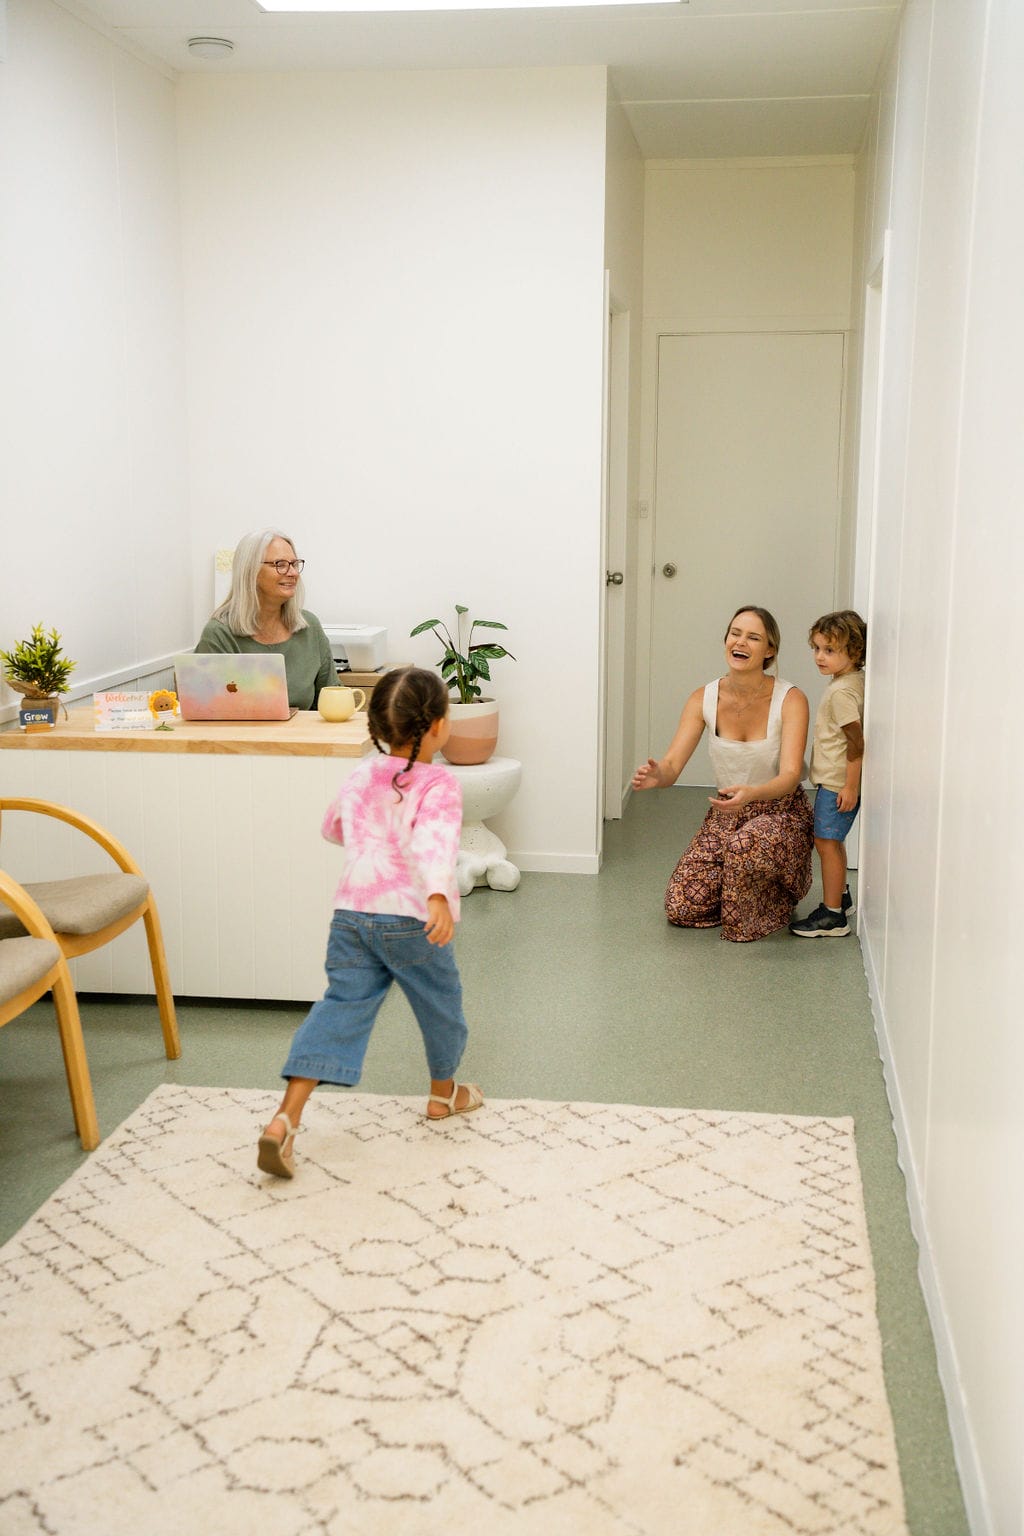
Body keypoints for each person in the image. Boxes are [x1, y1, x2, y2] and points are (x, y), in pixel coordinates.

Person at [257, 666, 483, 1179]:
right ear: (437, 727)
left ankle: (284, 1119)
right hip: (410, 920)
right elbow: (433, 844)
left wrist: (371, 840)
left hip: (352, 914)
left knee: (340, 1007)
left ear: (379, 725)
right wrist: (437, 897)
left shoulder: (362, 772)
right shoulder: (440, 783)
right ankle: (443, 1095)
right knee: (440, 1005)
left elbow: (333, 826)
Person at [632, 605, 813, 943]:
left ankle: (780, 890)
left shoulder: (791, 699)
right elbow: (671, 766)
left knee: (745, 854)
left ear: (769, 650)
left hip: (781, 813)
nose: (740, 642)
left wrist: (754, 793)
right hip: (725, 816)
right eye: (735, 633)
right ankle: (742, 889)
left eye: (753, 637)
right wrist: (659, 777)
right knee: (681, 907)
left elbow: (790, 775)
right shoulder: (703, 697)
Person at [195, 529, 336, 711]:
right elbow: (206, 712)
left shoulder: (309, 626)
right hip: (240, 738)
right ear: (250, 571)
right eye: (280, 564)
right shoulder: (219, 634)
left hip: (302, 738)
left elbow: (332, 697)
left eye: (294, 564)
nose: (293, 572)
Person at [789, 610, 867, 938]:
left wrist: (850, 786)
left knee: (825, 842)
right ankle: (842, 896)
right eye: (817, 648)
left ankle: (833, 915)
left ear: (855, 652)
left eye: (830, 650)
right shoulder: (852, 681)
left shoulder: (841, 693)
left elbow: (856, 742)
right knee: (833, 841)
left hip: (837, 783)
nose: (820, 656)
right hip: (838, 781)